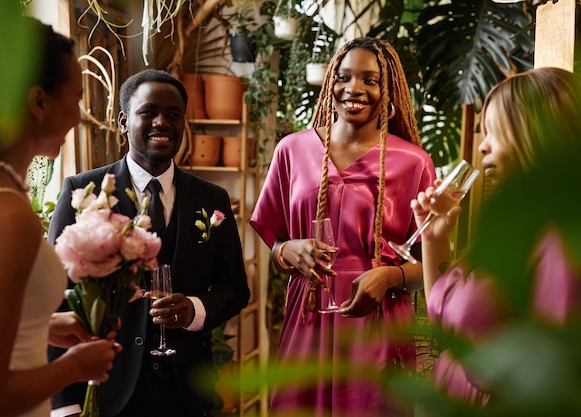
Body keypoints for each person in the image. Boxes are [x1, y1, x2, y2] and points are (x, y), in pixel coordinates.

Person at [48, 68, 251, 417]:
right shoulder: (84, 192)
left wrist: (194, 310)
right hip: (106, 391)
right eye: (149, 112)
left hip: (186, 394)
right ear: (124, 121)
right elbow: (57, 299)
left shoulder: (213, 199)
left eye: (174, 115)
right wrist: (65, 405)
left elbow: (235, 289)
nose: (163, 123)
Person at [250, 37, 436, 417]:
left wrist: (390, 277)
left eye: (370, 80)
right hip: (309, 315)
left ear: (389, 92)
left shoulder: (413, 162)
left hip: (381, 322)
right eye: (345, 77)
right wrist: (288, 251)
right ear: (330, 83)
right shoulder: (292, 149)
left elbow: (434, 266)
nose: (354, 89)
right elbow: (276, 247)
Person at [0, 16, 118, 417]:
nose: (80, 115)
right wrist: (75, 367)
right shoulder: (7, 215)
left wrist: (42, 327)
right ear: (39, 102)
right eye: (77, 97)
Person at [412, 67, 581, 405]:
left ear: (537, 132)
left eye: (493, 131)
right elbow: (446, 323)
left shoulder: (560, 242)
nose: (483, 146)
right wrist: (433, 239)